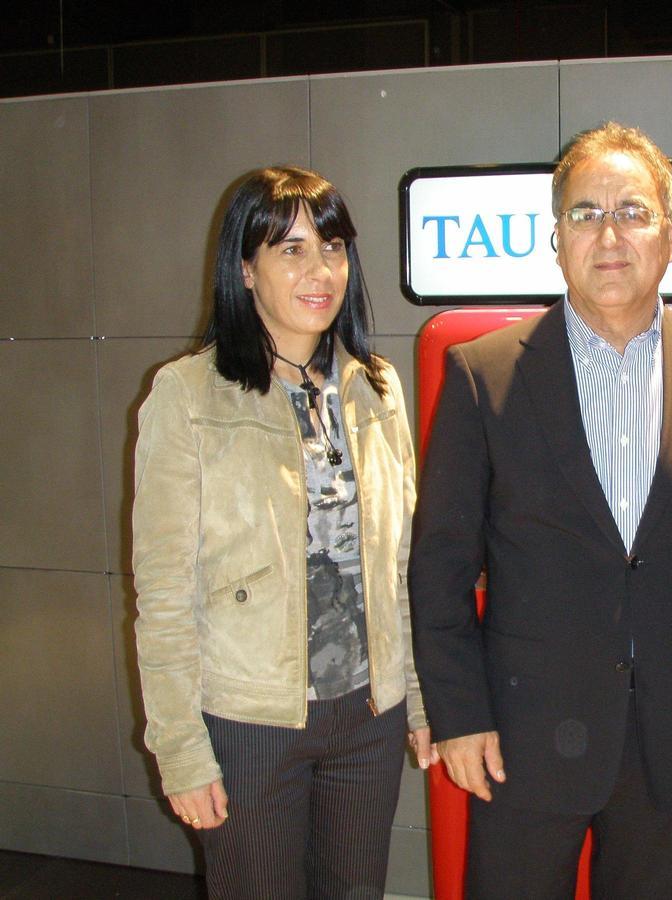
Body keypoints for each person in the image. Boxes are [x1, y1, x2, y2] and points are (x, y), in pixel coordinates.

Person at [409, 122, 672, 899]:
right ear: (556, 238)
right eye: (586, 213)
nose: (609, 234)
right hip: (519, 742)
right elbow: (439, 567)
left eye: (632, 210)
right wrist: (457, 715)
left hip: (671, 735)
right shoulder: (483, 375)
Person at [132, 165, 432, 899]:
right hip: (248, 724)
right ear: (244, 267)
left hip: (367, 718)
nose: (319, 270)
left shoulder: (377, 389)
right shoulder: (187, 395)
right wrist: (181, 751)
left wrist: (418, 698)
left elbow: (399, 569)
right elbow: (163, 596)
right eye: (290, 250)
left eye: (331, 247)